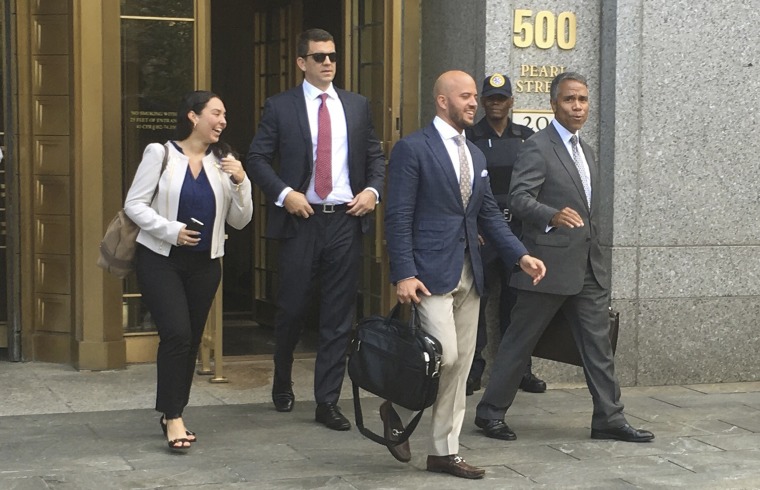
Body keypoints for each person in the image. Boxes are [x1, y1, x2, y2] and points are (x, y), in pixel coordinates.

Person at [474, 72, 655, 444]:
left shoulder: (586, 151)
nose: (578, 106)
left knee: (598, 346)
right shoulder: (537, 146)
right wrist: (551, 215)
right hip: (547, 266)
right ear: (554, 104)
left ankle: (609, 417)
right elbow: (520, 198)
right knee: (518, 342)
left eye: (583, 100)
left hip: (588, 267)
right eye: (570, 99)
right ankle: (490, 413)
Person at [383, 70, 546, 479]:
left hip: (470, 272)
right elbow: (398, 215)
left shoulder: (474, 154)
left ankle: (444, 451)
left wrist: (519, 256)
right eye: (467, 96)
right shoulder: (412, 148)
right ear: (443, 101)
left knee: (461, 364)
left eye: (476, 97)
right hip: (427, 273)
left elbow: (487, 213)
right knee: (445, 356)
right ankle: (397, 409)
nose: (474, 103)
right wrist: (403, 272)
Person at [245, 28, 385, 431]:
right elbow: (256, 158)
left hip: (345, 218)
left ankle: (327, 401)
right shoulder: (281, 106)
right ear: (302, 62)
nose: (328, 63)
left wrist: (373, 191)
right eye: (319, 56)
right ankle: (283, 377)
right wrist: (285, 193)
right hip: (300, 218)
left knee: (338, 315)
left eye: (333, 56)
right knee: (290, 308)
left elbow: (375, 155)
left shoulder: (357, 106)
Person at [124, 91, 253, 451]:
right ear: (193, 117)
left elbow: (241, 221)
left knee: (191, 339)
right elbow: (133, 204)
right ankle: (173, 416)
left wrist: (242, 181)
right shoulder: (160, 153)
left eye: (225, 114)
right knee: (177, 334)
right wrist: (171, 231)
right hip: (160, 259)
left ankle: (172, 411)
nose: (223, 120)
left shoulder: (225, 162)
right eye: (216, 112)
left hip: (205, 265)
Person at [464, 73, 546, 396]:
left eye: (502, 98)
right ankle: (473, 370)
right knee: (477, 304)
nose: (496, 103)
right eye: (491, 98)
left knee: (517, 305)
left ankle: (520, 370)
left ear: (512, 102)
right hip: (485, 234)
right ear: (483, 102)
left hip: (516, 233)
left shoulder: (527, 138)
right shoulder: (470, 136)